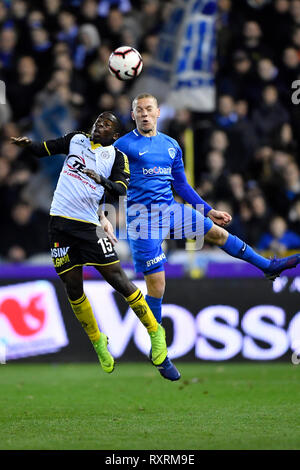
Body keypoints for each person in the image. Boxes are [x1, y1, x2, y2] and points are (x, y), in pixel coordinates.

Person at [112, 93, 300, 380]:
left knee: (218, 233)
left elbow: (182, 185)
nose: (145, 114)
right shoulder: (122, 145)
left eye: (149, 109)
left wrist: (209, 210)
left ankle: (267, 266)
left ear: (159, 112)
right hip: (142, 220)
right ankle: (158, 348)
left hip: (171, 210)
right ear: (133, 114)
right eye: (139, 110)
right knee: (158, 286)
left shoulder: (172, 146)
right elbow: (105, 176)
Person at [11, 111, 175, 380]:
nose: (100, 124)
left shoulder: (117, 157)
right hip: (59, 225)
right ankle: (98, 341)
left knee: (119, 280)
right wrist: (28, 145)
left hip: (89, 227)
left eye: (107, 124)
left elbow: (121, 189)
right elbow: (45, 150)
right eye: (99, 120)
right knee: (73, 288)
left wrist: (102, 180)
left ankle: (156, 332)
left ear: (115, 135)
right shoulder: (76, 140)